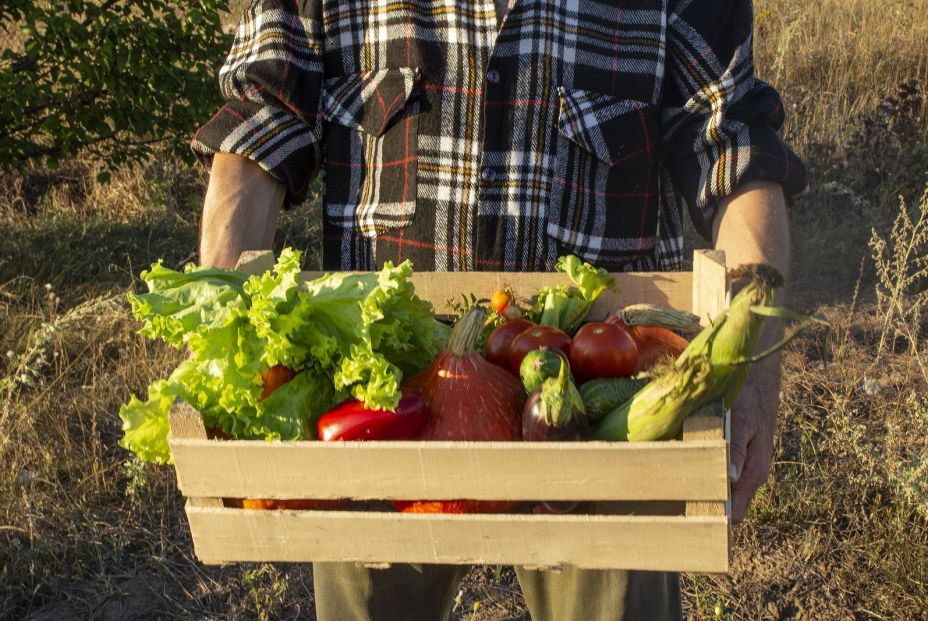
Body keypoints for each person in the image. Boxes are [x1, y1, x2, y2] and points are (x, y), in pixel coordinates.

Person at [192, 1, 808, 619]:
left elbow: (733, 143)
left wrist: (755, 364)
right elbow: (261, 119)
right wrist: (220, 336)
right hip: (385, 394)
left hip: (598, 395)